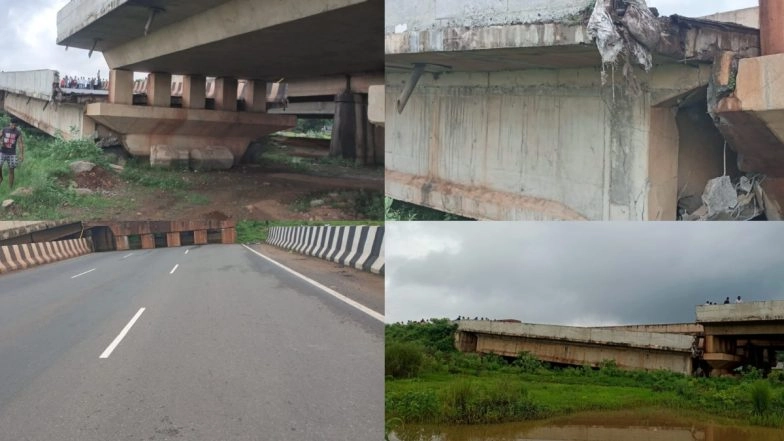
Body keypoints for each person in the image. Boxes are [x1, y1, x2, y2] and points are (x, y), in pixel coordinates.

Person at [0, 118, 25, 189]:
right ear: (10, 123)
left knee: (11, 170)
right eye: (12, 124)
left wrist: (21, 154)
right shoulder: (4, 130)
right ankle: (1, 177)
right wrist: (0, 142)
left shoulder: (18, 132)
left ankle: (10, 188)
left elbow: (20, 143)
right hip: (2, 152)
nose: (13, 126)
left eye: (15, 125)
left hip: (12, 154)